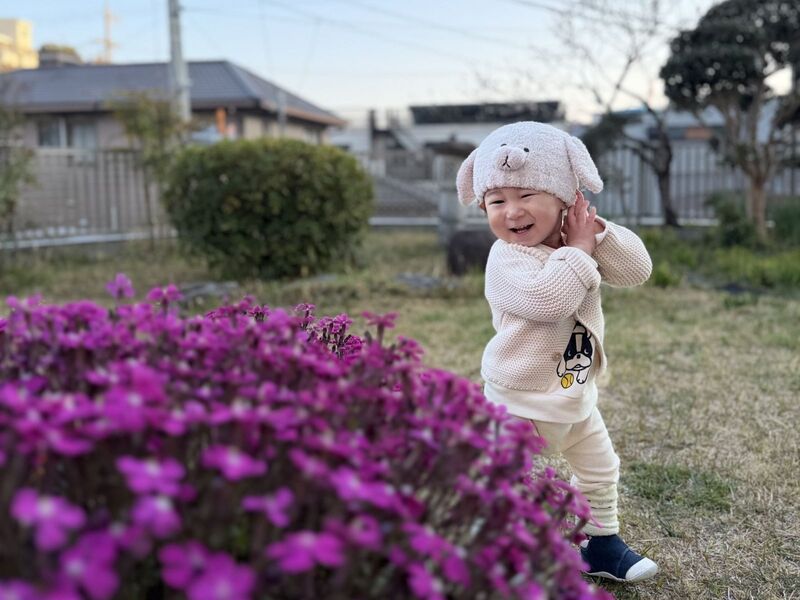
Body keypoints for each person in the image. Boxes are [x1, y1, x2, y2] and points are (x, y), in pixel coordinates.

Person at [456, 121, 658, 582]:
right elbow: (550, 301)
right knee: (503, 479)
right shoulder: (506, 257)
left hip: (572, 383)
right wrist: (582, 251)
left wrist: (598, 233)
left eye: (526, 195)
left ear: (564, 196)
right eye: (496, 201)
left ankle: (600, 545)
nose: (512, 212)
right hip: (519, 397)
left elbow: (637, 270)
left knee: (600, 465)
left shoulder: (576, 243)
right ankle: (490, 550)